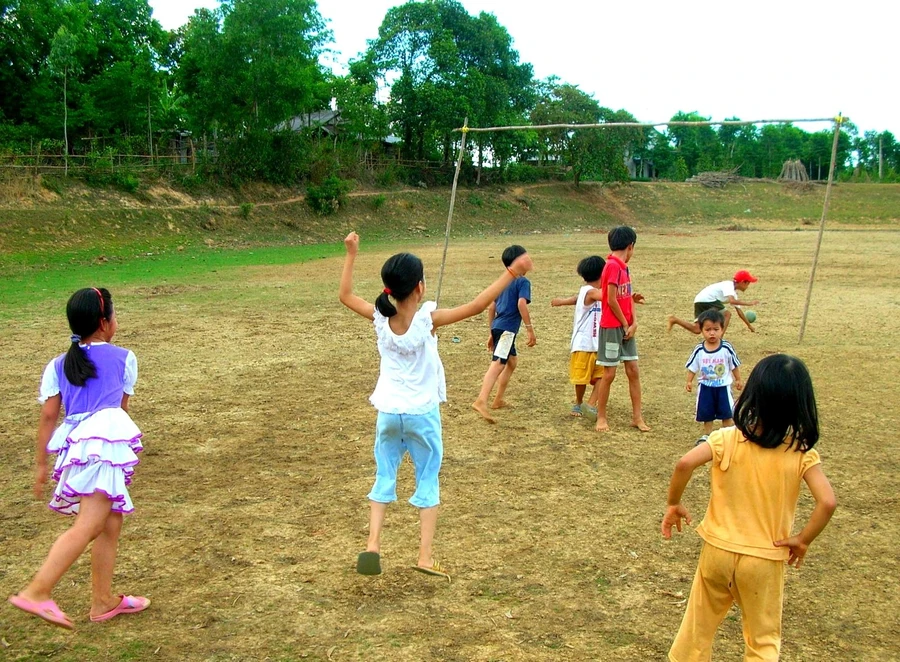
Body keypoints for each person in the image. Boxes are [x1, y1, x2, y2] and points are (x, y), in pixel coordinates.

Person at [339, 232, 533, 579]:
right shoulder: (428, 319)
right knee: (427, 479)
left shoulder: (380, 318)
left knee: (385, 475)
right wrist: (513, 273)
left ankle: (372, 546)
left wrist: (352, 253)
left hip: (388, 412)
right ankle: (425, 557)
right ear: (420, 288)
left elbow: (345, 295)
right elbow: (476, 306)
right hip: (422, 414)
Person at [662, 353, 837, 662]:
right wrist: (803, 539)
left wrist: (674, 503)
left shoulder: (726, 438)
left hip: (717, 550)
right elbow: (827, 502)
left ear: (753, 394)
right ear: (801, 403)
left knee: (697, 629)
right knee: (762, 638)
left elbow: (684, 463)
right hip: (764, 560)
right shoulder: (800, 452)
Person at [8, 288, 149, 629]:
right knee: (88, 524)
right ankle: (38, 591)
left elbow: (48, 418)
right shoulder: (124, 357)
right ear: (104, 323)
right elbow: (121, 411)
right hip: (102, 447)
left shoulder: (57, 364)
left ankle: (103, 601)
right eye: (114, 316)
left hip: (76, 447)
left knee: (110, 520)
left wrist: (42, 463)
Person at [593, 226, 650, 432]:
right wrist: (625, 324)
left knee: (633, 370)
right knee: (609, 374)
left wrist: (634, 322)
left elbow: (628, 298)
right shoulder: (612, 266)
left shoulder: (624, 268)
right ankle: (601, 417)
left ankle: (637, 417)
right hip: (612, 327)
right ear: (630, 246)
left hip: (627, 328)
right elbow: (611, 299)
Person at [472, 245, 537, 423]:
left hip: (499, 327)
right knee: (498, 363)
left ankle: (498, 399)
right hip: (507, 330)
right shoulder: (522, 282)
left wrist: (492, 332)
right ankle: (481, 400)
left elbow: (491, 308)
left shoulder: (503, 282)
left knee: (512, 361)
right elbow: (521, 304)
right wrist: (530, 329)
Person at [551, 256, 605, 417]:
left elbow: (576, 299)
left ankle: (591, 404)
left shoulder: (589, 292)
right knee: (581, 378)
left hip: (599, 342)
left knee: (603, 375)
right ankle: (579, 402)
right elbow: (604, 296)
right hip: (583, 343)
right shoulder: (590, 291)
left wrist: (562, 301)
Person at [684, 309, 743, 444]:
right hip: (705, 387)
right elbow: (693, 366)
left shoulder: (726, 348)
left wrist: (738, 379)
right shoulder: (699, 349)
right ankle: (707, 436)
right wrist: (689, 381)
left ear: (722, 329)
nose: (712, 333)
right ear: (702, 330)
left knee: (726, 412)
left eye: (716, 329)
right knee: (707, 412)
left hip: (723, 387)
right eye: (708, 329)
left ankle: (729, 435)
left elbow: (734, 365)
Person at [667, 270, 759, 335]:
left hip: (700, 300)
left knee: (697, 330)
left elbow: (740, 312)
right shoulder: (728, 285)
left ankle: (674, 320)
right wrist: (749, 303)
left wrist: (749, 326)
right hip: (707, 299)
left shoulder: (733, 293)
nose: (748, 286)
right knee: (727, 314)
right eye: (748, 283)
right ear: (743, 282)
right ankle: (720, 338)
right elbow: (732, 301)